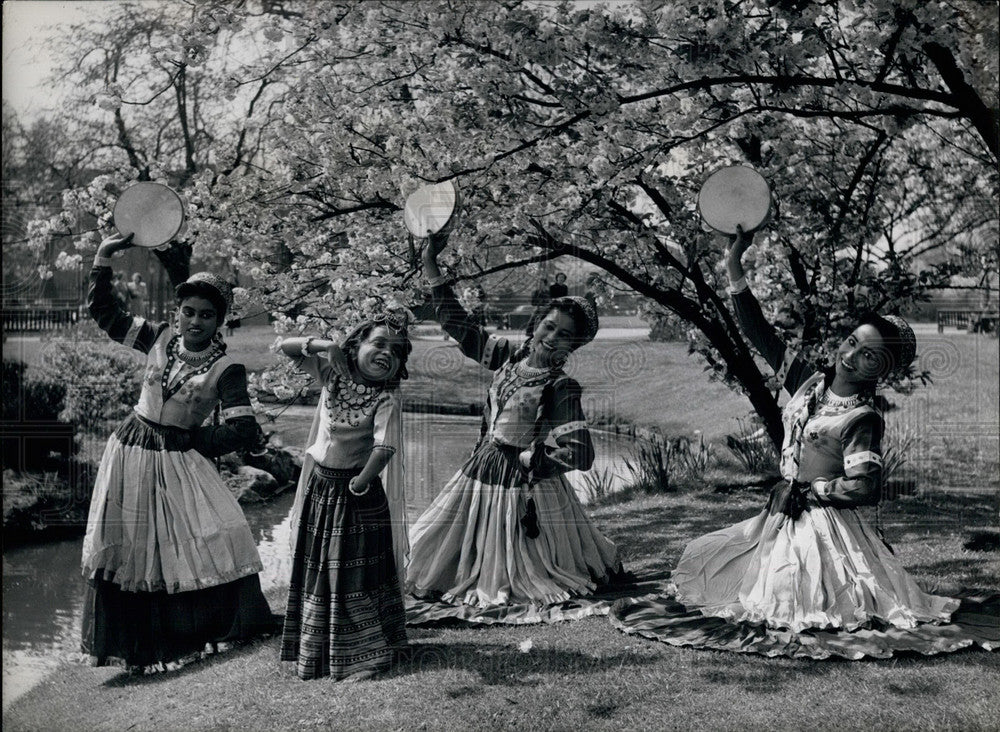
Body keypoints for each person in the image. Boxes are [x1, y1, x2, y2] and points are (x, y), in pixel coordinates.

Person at [610, 227, 999, 659]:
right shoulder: (807, 383)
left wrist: (818, 489)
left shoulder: (862, 417)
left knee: (792, 598)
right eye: (851, 342)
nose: (850, 356)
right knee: (710, 559)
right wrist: (734, 265)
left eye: (868, 355)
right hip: (781, 512)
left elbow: (866, 485)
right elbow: (759, 334)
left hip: (824, 523)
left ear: (882, 370)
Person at [81, 232, 277, 674]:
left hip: (180, 458)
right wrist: (102, 259)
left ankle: (203, 633)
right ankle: (136, 651)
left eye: (206, 315)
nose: (195, 321)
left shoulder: (227, 369)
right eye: (188, 311)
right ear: (178, 312)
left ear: (219, 321)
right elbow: (106, 314)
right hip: (131, 450)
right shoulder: (158, 337)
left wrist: (194, 441)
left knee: (214, 534)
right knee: (131, 544)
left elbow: (244, 428)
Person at [406, 230, 623, 625]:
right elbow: (461, 327)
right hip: (481, 469)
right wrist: (431, 265)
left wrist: (530, 459)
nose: (552, 337)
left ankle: (509, 576)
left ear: (573, 346)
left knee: (517, 570)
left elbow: (581, 454)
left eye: (564, 335)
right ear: (536, 324)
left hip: (521, 482)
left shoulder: (560, 386)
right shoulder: (509, 356)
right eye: (548, 327)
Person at [278, 314, 411, 681]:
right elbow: (286, 347)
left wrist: (361, 481)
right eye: (379, 344)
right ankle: (318, 650)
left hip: (358, 495)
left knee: (354, 573)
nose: (386, 354)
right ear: (355, 346)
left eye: (396, 351)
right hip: (321, 489)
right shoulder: (332, 375)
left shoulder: (386, 400)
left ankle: (366, 654)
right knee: (320, 566)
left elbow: (384, 448)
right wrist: (327, 346)